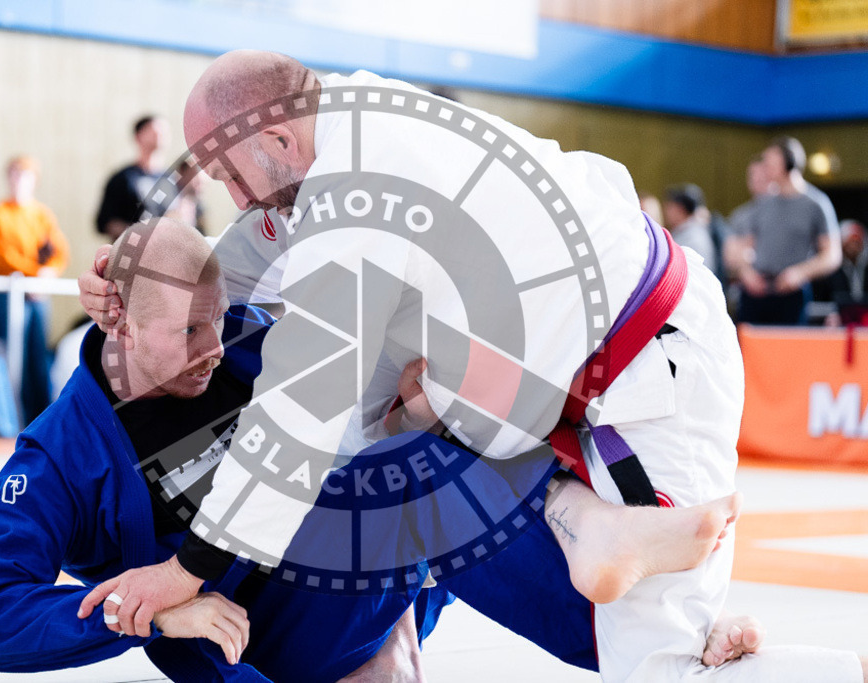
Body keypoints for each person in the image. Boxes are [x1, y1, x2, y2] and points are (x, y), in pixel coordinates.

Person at [78, 52, 867, 682]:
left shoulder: (356, 199)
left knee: (660, 666)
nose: (229, 194)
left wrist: (187, 570)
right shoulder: (344, 119)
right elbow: (250, 260)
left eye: (226, 172)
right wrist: (145, 282)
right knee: (413, 410)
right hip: (585, 369)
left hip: (647, 377)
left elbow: (296, 416)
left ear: (278, 141)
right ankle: (590, 525)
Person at [0, 219, 446, 682]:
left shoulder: (245, 342)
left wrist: (415, 419)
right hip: (241, 641)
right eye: (190, 330)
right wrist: (149, 611)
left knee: (445, 443)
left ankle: (390, 645)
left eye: (219, 315)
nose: (215, 346)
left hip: (347, 586)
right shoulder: (61, 455)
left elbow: (358, 433)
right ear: (120, 321)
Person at [0, 155, 70, 422]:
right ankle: (13, 416)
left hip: (37, 295)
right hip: (11, 296)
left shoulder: (42, 215)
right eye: (15, 174)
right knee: (13, 357)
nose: (20, 180)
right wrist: (35, 275)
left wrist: (47, 275)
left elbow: (59, 252)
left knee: (38, 356)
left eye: (25, 175)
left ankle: (42, 417)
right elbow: (2, 258)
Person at [725, 137, 842, 325]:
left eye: (771, 161)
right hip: (756, 290)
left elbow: (832, 254)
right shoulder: (763, 203)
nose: (766, 166)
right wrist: (746, 272)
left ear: (789, 162)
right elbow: (737, 248)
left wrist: (800, 273)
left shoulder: (816, 204)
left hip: (791, 293)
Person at [96, 115, 177, 241]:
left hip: (165, 255)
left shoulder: (173, 179)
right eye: (155, 130)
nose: (161, 135)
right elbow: (106, 222)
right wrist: (140, 238)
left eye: (165, 131)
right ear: (138, 136)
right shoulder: (124, 178)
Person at [664, 183, 717, 273]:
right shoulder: (693, 231)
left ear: (680, 209)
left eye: (670, 207)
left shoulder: (692, 237)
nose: (666, 211)